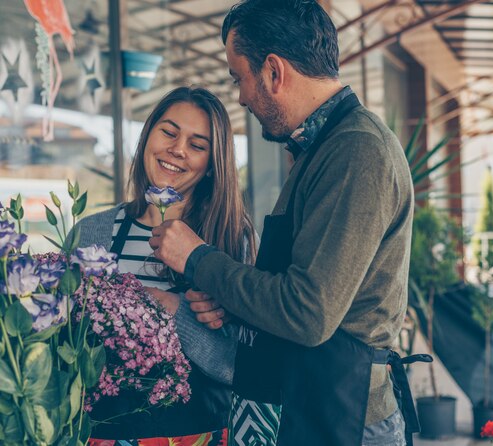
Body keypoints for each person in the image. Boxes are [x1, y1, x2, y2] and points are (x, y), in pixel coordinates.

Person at [150, 1, 429, 445]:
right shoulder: (321, 149)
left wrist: (198, 258)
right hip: (314, 405)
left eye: (239, 77)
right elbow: (297, 289)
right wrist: (229, 304)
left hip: (345, 419)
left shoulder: (356, 151)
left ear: (274, 72)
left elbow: (307, 312)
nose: (240, 96)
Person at [75, 86, 280, 445]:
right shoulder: (91, 232)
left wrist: (173, 309)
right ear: (148, 135)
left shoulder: (236, 240)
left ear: (212, 165)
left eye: (197, 145)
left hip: (200, 436)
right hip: (99, 436)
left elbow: (242, 367)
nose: (178, 149)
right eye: (169, 132)